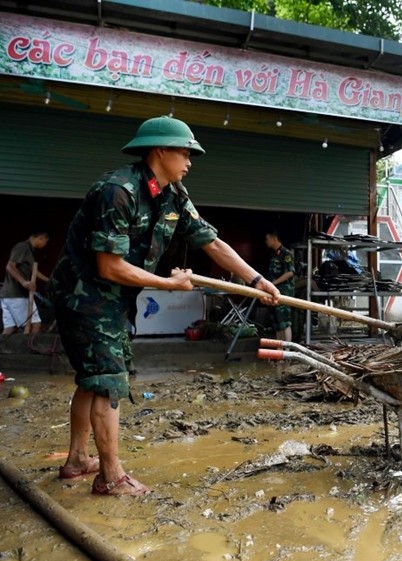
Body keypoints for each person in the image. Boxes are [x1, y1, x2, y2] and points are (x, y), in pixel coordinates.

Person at [47, 116, 280, 496]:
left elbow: (212, 243)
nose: (189, 161)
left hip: (114, 300)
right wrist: (169, 284)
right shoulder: (117, 191)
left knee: (93, 379)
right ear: (160, 150)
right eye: (184, 152)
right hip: (83, 296)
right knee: (108, 380)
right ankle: (111, 477)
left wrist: (256, 281)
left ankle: (76, 460)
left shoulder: (174, 194)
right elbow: (109, 266)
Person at [2, 231, 50, 334]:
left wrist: (48, 280)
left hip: (8, 295)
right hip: (17, 294)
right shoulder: (23, 247)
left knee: (9, 329)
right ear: (41, 238)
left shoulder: (28, 251)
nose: (45, 245)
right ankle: (27, 350)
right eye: (46, 241)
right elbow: (10, 266)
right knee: (35, 324)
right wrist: (24, 282)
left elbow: (34, 270)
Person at [264, 231, 296, 342]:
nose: (266, 241)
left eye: (267, 238)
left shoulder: (286, 254)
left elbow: (290, 272)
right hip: (274, 292)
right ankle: (279, 351)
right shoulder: (274, 254)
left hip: (284, 292)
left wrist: (273, 283)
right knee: (277, 323)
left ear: (274, 238)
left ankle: (287, 352)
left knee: (285, 321)